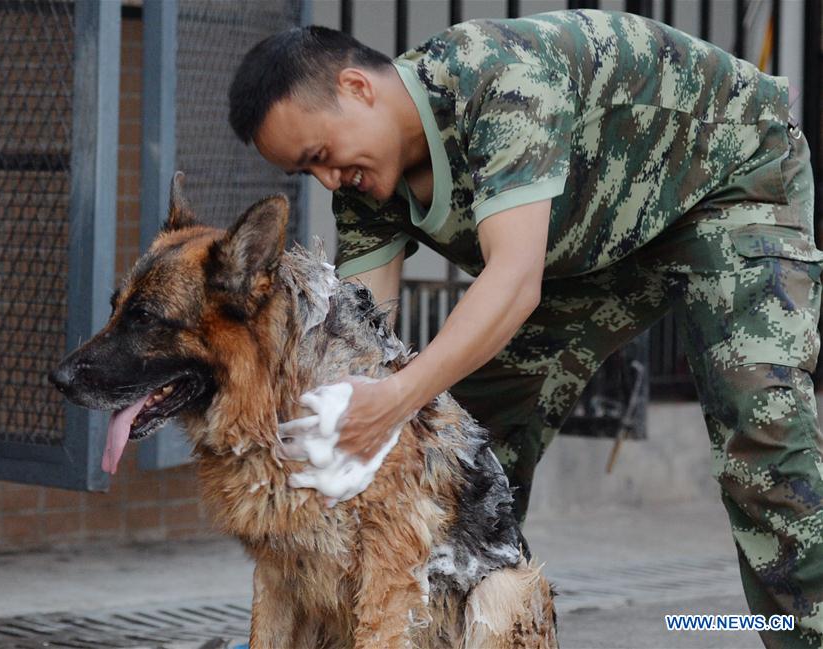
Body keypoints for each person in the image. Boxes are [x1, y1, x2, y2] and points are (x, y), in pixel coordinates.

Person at [228, 9, 823, 647]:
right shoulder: (364, 186)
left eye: (321, 156)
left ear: (357, 88)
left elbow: (512, 281)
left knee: (761, 427)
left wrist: (397, 398)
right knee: (465, 446)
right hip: (588, 243)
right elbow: (366, 344)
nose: (328, 180)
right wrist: (329, 424)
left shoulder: (500, 81)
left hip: (727, 182)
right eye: (308, 173)